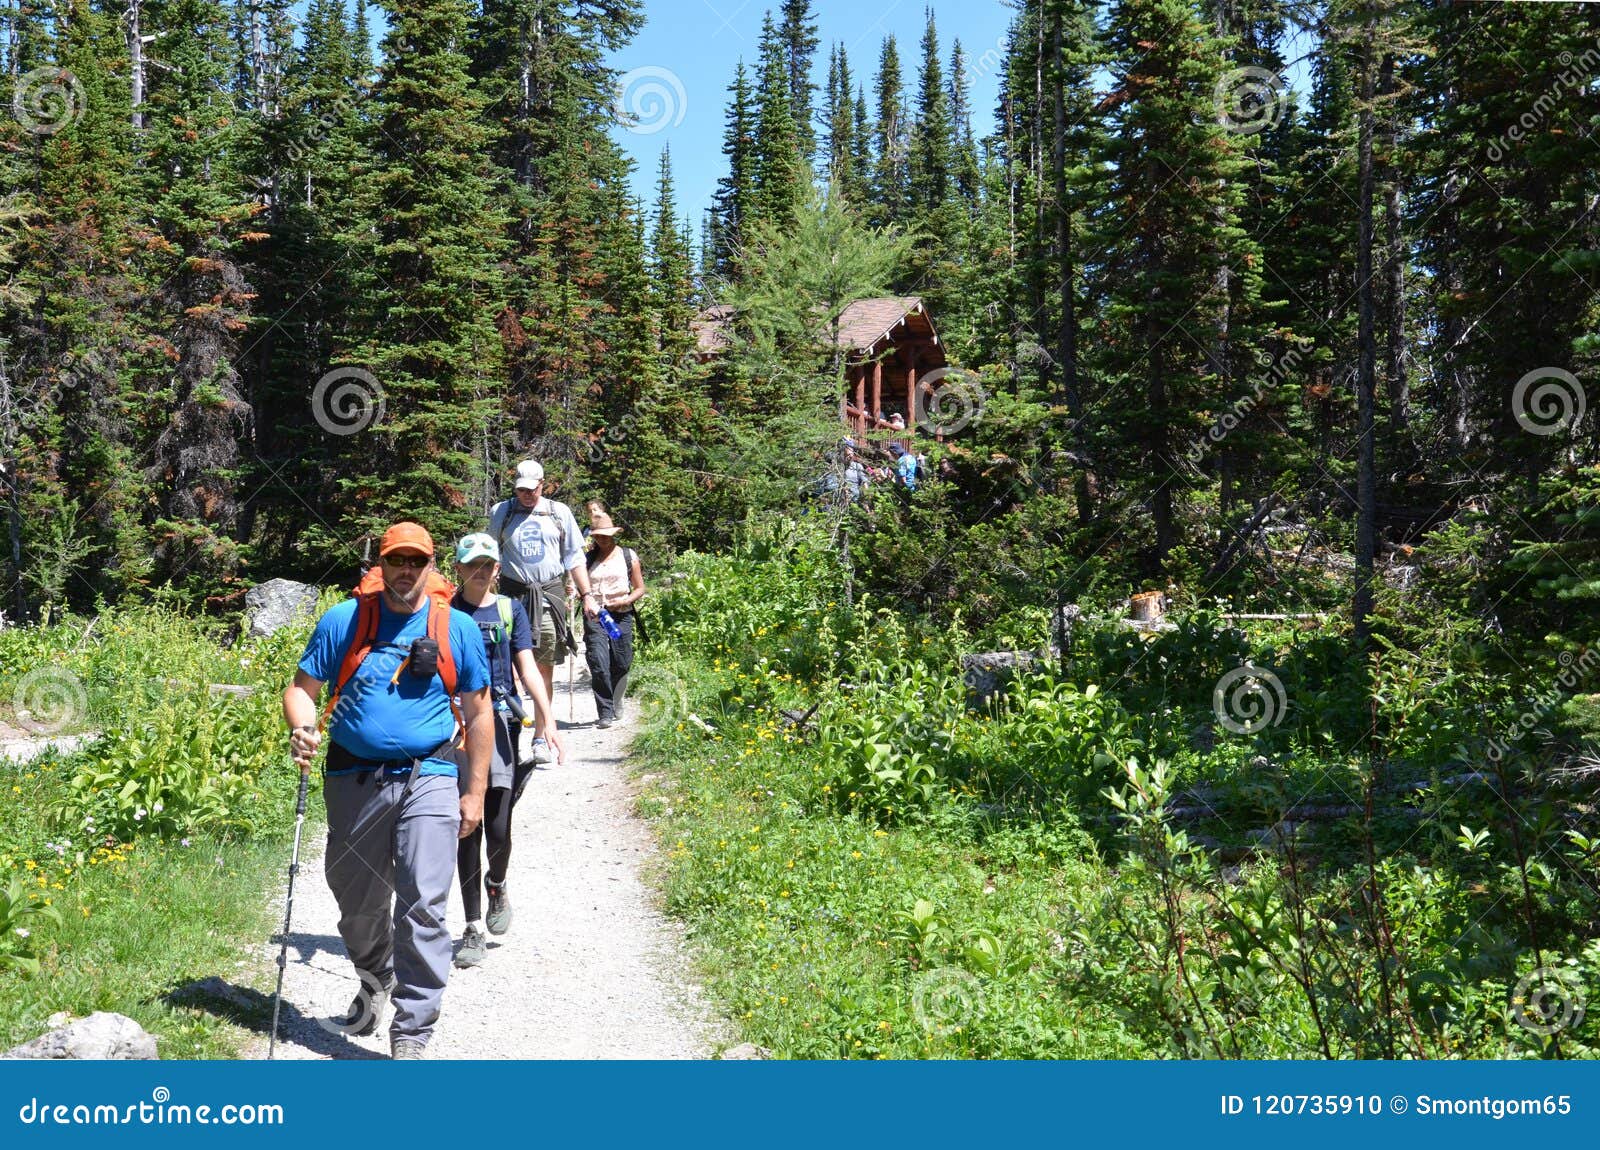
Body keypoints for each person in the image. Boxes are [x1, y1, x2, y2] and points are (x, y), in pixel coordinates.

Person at [282, 522, 491, 1060]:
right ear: (381, 564)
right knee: (356, 899)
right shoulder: (345, 620)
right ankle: (377, 973)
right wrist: (302, 727)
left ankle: (412, 1034)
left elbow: (478, 710)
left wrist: (475, 791)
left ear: (430, 566)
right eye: (396, 560)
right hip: (353, 777)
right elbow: (303, 690)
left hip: (431, 774)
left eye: (416, 561)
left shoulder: (455, 628)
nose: (406, 570)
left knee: (423, 901)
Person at [449, 533, 565, 968]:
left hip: (499, 723)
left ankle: (497, 884)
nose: (480, 571)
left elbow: (528, 667)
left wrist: (547, 719)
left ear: (497, 569)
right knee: (466, 822)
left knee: (497, 826)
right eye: (471, 564)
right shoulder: (445, 612)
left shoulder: (508, 609)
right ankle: (473, 926)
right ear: (458, 568)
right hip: (454, 727)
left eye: (487, 564)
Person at [488, 460, 598, 741]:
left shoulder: (558, 513)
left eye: (532, 489)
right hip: (511, 597)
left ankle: (540, 734)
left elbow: (574, 557)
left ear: (542, 484)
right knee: (506, 664)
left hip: (548, 598)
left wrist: (587, 595)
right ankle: (508, 731)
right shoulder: (502, 512)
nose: (526, 495)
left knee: (543, 667)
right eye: (521, 490)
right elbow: (491, 556)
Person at [583, 511, 645, 730]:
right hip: (595, 615)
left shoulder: (628, 556)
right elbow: (578, 585)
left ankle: (617, 696)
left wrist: (625, 601)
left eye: (606, 535)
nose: (602, 539)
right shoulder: (587, 559)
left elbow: (640, 588)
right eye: (598, 536)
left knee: (621, 661)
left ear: (613, 535)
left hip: (620, 614)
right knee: (598, 661)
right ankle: (605, 711)